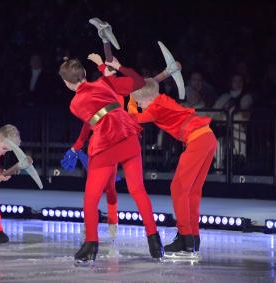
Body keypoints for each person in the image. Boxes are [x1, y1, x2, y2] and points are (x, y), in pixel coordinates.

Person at [58, 56, 164, 265]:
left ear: (67, 83)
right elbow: (139, 83)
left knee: (91, 197)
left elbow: (91, 122)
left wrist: (77, 146)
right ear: (85, 74)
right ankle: (154, 241)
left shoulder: (74, 104)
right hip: (128, 135)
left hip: (107, 143)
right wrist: (112, 68)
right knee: (138, 190)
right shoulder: (104, 82)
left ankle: (91, 245)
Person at [129, 76, 217, 258]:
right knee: (191, 191)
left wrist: (130, 98)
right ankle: (192, 237)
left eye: (140, 103)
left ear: (147, 100)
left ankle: (185, 238)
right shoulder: (162, 99)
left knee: (178, 189)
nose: (141, 106)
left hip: (198, 140)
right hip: (208, 138)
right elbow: (152, 84)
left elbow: (132, 119)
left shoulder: (154, 108)